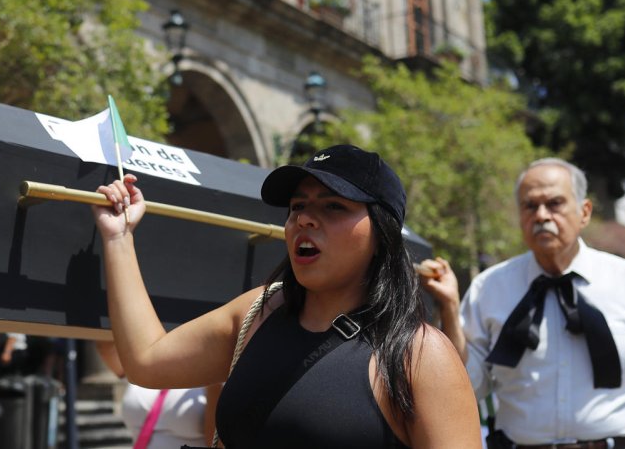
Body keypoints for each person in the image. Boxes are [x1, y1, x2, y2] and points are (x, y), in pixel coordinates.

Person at [92, 144, 480, 448]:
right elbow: (146, 362)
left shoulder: (421, 356)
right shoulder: (257, 312)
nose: (305, 219)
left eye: (333, 206)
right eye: (298, 206)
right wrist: (118, 238)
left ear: (381, 234)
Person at [421, 158, 625, 449]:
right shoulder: (489, 288)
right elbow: (467, 387)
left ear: (584, 212)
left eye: (555, 203)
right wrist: (449, 309)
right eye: (530, 206)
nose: (542, 216)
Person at [96, 340, 221, 449]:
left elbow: (218, 443)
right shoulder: (147, 360)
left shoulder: (219, 369)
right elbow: (106, 348)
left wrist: (214, 380)